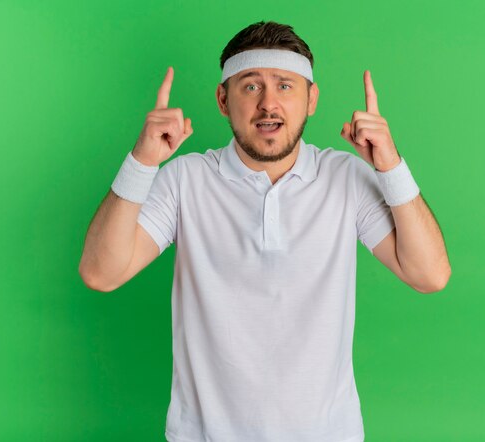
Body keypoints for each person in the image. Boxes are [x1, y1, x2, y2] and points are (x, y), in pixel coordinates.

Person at [79, 20, 451, 442]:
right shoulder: (186, 180)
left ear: (312, 99)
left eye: (286, 86)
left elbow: (430, 275)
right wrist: (142, 163)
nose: (268, 104)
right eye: (251, 86)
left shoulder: (345, 178)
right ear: (223, 99)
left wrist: (390, 167)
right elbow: (100, 273)